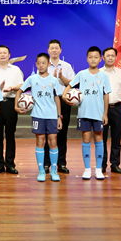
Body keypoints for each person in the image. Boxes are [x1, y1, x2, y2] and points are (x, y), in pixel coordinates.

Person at [63, 46, 111, 180]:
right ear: (87, 59)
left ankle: (98, 169)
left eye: (96, 57)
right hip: (84, 113)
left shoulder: (103, 76)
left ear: (100, 59)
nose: (93, 59)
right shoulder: (81, 74)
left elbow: (106, 95)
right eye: (90, 57)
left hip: (98, 114)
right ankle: (87, 169)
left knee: (99, 140)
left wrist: (105, 114)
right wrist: (64, 96)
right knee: (86, 140)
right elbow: (69, 86)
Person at [15, 53, 63, 182]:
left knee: (53, 142)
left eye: (44, 63)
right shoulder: (32, 79)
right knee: (40, 142)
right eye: (39, 63)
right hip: (37, 116)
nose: (41, 65)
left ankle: (53, 171)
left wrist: (59, 116)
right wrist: (16, 106)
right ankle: (41, 170)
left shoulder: (53, 80)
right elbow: (19, 91)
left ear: (48, 64)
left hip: (52, 116)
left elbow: (57, 98)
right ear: (36, 64)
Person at [0, 45, 24, 175]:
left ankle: (10, 164)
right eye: (0, 53)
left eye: (5, 53)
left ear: (9, 55)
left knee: (10, 135)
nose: (2, 55)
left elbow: (22, 84)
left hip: (10, 103)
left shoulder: (16, 69)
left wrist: (13, 88)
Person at [99, 47, 121, 175]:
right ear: (103, 58)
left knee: (116, 138)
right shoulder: (98, 72)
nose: (110, 58)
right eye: (107, 55)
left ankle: (115, 164)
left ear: (116, 57)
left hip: (117, 108)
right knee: (101, 139)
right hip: (101, 109)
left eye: (112, 56)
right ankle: (102, 165)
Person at [44, 39, 75, 174]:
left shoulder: (66, 66)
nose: (54, 50)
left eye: (57, 48)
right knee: (47, 134)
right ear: (48, 50)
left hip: (63, 101)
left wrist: (61, 77)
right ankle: (46, 163)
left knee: (62, 133)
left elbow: (73, 83)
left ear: (60, 50)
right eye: (52, 48)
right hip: (47, 102)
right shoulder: (44, 65)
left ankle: (61, 163)